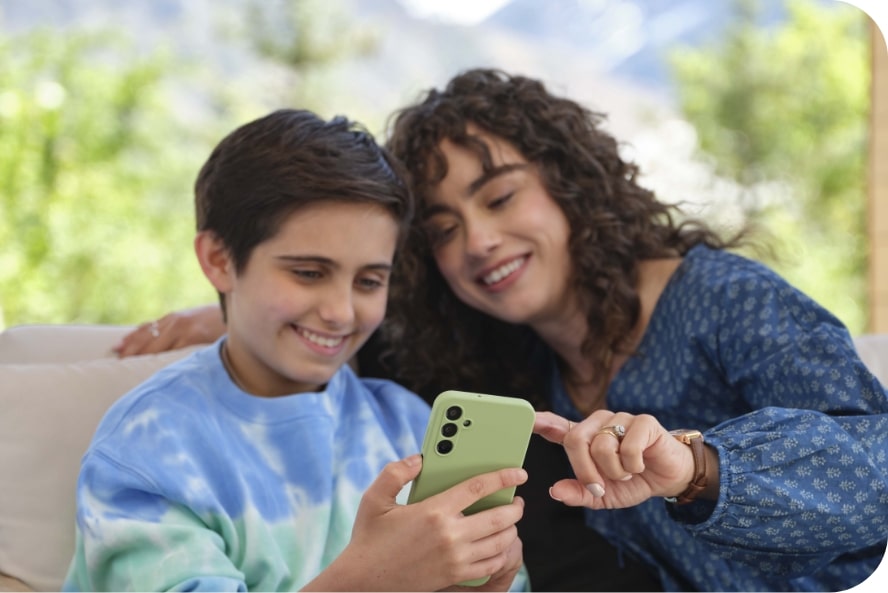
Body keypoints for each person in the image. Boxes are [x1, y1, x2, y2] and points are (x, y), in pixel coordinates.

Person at [114, 70, 888, 592]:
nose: (478, 242)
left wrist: (695, 466)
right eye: (445, 228)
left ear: (570, 185)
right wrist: (226, 310)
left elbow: (875, 468)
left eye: (500, 196)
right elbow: (346, 331)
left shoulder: (722, 298)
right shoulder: (502, 356)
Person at [63, 108, 529, 592]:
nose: (341, 312)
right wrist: (370, 580)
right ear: (220, 260)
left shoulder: (408, 424)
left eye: (369, 281)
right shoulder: (148, 452)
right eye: (308, 273)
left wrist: (490, 581)